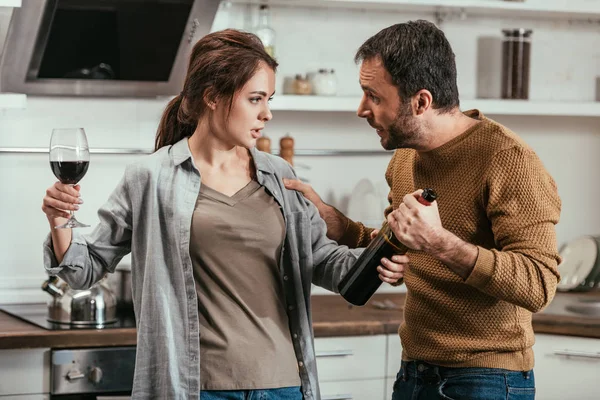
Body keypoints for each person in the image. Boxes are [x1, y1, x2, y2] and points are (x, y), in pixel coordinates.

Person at [40, 29, 405, 400]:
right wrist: (58, 221)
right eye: (256, 99)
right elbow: (82, 270)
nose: (268, 113)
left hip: (282, 386)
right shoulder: (151, 178)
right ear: (213, 96)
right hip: (195, 388)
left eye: (269, 99)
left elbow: (324, 261)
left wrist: (378, 257)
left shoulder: (280, 176)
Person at [284, 20, 561, 400]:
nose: (361, 109)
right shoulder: (405, 157)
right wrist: (341, 226)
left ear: (421, 101)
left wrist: (439, 241)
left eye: (373, 96)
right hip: (415, 370)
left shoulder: (509, 160)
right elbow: (401, 246)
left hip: (487, 378)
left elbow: (539, 284)